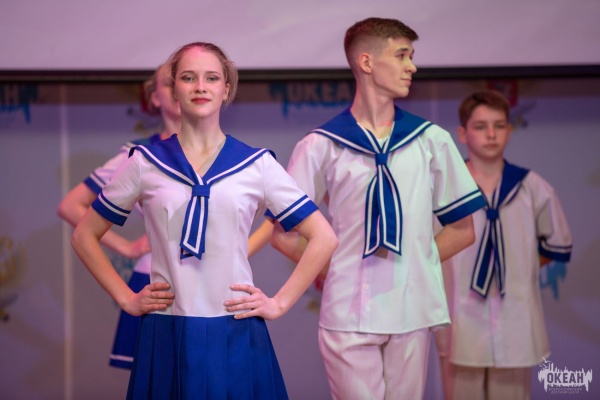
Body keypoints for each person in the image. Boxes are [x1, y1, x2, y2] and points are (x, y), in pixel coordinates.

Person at [71, 41, 338, 399]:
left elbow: (324, 237)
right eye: (188, 78)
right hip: (165, 328)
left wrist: (278, 303)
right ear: (173, 89)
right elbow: (84, 235)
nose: (200, 86)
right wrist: (126, 298)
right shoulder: (145, 162)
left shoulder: (257, 164)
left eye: (212, 78)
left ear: (226, 89)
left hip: (236, 327)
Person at [269, 17, 486, 400]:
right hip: (348, 309)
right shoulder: (320, 145)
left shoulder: (431, 140)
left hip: (412, 307)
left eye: (411, 56)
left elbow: (462, 229)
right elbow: (283, 235)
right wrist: (335, 268)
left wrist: (415, 263)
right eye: (401, 55)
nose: (411, 66)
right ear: (367, 62)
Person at [434, 90, 573, 400]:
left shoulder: (531, 186)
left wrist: (520, 265)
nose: (491, 134)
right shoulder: (446, 187)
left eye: (499, 126)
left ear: (509, 131)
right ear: (462, 133)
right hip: (460, 315)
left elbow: (556, 245)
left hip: (515, 316)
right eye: (480, 126)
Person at [57, 62, 180, 369]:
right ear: (154, 97)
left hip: (211, 278)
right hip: (156, 279)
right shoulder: (138, 154)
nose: (181, 88)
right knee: (155, 378)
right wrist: (126, 247)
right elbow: (71, 206)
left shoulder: (227, 153)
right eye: (171, 83)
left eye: (188, 79)